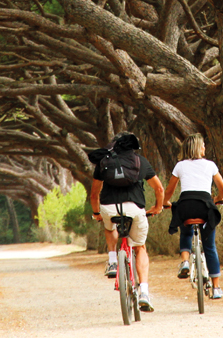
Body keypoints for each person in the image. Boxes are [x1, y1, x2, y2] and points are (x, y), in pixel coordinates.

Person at [88, 131, 164, 312]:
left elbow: (94, 194)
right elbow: (159, 188)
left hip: (108, 207)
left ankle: (113, 260)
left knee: (109, 227)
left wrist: (97, 212)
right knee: (140, 247)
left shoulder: (104, 161)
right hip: (135, 209)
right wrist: (158, 207)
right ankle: (144, 292)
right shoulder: (140, 161)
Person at [164, 133, 223, 299]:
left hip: (186, 206)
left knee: (185, 231)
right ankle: (217, 288)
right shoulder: (210, 165)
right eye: (203, 145)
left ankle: (185, 261)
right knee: (210, 246)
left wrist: (165, 202)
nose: (205, 148)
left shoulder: (180, 166)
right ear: (198, 148)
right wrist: (217, 200)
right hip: (205, 207)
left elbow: (170, 189)